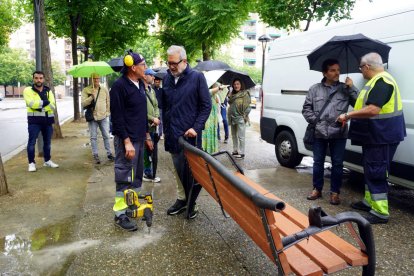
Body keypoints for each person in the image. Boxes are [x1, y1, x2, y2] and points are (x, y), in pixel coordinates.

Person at [337, 52, 406, 224]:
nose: (361, 71)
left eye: (360, 68)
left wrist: (348, 115)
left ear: (367, 67)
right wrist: (352, 89)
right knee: (371, 169)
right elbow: (364, 104)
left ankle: (380, 212)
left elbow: (373, 110)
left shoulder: (383, 81)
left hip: (381, 136)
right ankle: (370, 202)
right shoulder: (376, 82)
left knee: (376, 171)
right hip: (376, 135)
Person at [162, 45, 211, 219]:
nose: (171, 66)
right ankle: (182, 199)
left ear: (184, 61)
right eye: (169, 63)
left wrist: (195, 127)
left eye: (174, 63)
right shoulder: (167, 79)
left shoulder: (197, 78)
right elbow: (165, 106)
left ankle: (192, 203)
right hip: (172, 135)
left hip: (189, 137)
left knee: (191, 171)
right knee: (177, 170)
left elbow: (206, 106)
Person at [302, 59, 358, 205]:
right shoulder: (314, 89)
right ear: (325, 73)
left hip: (339, 132)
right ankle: (317, 189)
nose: (337, 73)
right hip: (319, 132)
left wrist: (352, 87)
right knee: (318, 162)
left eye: (338, 70)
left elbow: (360, 103)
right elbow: (306, 109)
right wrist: (316, 121)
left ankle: (335, 193)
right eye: (333, 70)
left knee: (338, 164)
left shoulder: (345, 88)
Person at [110, 51, 153, 231]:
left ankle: (131, 205)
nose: (145, 67)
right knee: (124, 176)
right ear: (133, 67)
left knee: (136, 176)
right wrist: (127, 141)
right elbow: (117, 117)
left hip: (140, 138)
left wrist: (147, 135)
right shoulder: (120, 86)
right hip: (126, 140)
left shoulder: (140, 85)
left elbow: (141, 114)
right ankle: (119, 214)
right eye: (143, 64)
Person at [23, 71, 59, 172]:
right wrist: (45, 103)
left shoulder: (48, 91)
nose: (38, 80)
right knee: (31, 143)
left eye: (40, 78)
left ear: (43, 79)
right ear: (33, 79)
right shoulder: (27, 90)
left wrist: (38, 106)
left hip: (47, 121)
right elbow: (30, 104)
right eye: (36, 78)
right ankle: (31, 163)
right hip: (34, 122)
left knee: (47, 143)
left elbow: (52, 105)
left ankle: (47, 161)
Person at [81, 73, 114, 164]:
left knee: (106, 135)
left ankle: (109, 153)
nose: (96, 80)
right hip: (93, 117)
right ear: (91, 79)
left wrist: (107, 112)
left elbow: (108, 101)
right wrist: (91, 96)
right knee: (93, 137)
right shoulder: (86, 90)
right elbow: (83, 103)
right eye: (94, 78)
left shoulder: (104, 89)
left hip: (103, 116)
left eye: (97, 78)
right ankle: (95, 154)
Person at [142, 68, 161, 183]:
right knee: (146, 151)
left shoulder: (152, 90)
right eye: (152, 75)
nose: (154, 78)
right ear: (145, 76)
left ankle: (152, 173)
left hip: (154, 125)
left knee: (153, 151)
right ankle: (147, 173)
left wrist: (157, 118)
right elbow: (141, 110)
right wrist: (151, 118)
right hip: (145, 127)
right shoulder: (141, 91)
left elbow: (156, 106)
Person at [228, 78, 251, 159]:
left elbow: (248, 107)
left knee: (241, 136)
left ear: (241, 85)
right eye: (234, 84)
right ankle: (235, 150)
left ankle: (242, 153)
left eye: (237, 84)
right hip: (232, 117)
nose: (236, 86)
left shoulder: (245, 94)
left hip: (240, 117)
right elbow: (230, 102)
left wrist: (244, 115)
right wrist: (230, 95)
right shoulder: (232, 94)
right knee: (234, 135)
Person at [202, 83, 220, 153]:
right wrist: (219, 87)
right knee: (207, 132)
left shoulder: (215, 95)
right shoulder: (206, 92)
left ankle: (210, 151)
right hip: (208, 117)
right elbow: (209, 92)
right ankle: (206, 151)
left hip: (213, 117)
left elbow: (218, 105)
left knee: (212, 132)